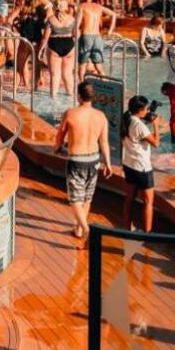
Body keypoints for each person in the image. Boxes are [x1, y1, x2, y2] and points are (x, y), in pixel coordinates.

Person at [53, 81, 114, 240]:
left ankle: (86, 229)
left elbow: (60, 135)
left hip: (76, 160)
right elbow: (104, 142)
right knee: (87, 197)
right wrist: (107, 163)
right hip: (94, 160)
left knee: (74, 199)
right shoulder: (101, 116)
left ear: (79, 96)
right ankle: (79, 230)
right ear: (93, 97)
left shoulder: (71, 113)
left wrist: (57, 148)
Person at [122, 95, 158, 233]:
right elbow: (156, 143)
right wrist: (155, 124)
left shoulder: (127, 119)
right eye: (146, 109)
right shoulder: (139, 125)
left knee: (129, 199)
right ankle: (148, 233)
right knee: (148, 202)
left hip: (129, 164)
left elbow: (137, 134)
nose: (148, 111)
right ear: (140, 110)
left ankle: (126, 228)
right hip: (142, 168)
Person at [76, 0, 117, 79]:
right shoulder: (99, 7)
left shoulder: (82, 6)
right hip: (98, 37)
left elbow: (77, 25)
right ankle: (106, 87)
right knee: (99, 67)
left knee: (82, 66)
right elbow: (114, 14)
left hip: (86, 36)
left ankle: (82, 88)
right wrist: (110, 30)